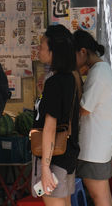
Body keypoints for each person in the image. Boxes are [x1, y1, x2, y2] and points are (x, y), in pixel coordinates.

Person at [32, 25, 82, 205]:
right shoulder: (70, 78)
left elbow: (50, 126)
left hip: (54, 158)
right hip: (67, 155)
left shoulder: (54, 82)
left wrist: (45, 168)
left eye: (42, 46)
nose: (39, 50)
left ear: (54, 52)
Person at [73, 30, 112, 206]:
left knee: (99, 196)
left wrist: (76, 76)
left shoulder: (98, 72)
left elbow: (83, 108)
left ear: (83, 52)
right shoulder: (101, 69)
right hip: (99, 145)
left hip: (94, 148)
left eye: (73, 56)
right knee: (102, 195)